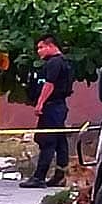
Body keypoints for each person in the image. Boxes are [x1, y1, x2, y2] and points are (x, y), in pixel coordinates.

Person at [20, 35, 74, 189]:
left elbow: (49, 85)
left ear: (50, 46)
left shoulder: (54, 63)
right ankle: (60, 174)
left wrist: (40, 103)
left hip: (52, 106)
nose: (39, 51)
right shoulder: (64, 62)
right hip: (58, 106)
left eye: (41, 47)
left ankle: (39, 177)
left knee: (47, 140)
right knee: (59, 142)